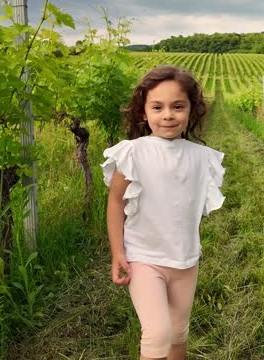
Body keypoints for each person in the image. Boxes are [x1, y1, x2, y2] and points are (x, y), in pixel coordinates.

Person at [102, 65, 225, 360]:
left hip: (185, 260)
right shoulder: (133, 152)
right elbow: (116, 202)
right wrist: (118, 252)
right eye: (157, 107)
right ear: (144, 112)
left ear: (191, 110)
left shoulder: (203, 158)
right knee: (158, 334)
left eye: (177, 106)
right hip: (144, 258)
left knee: (178, 333)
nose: (168, 115)